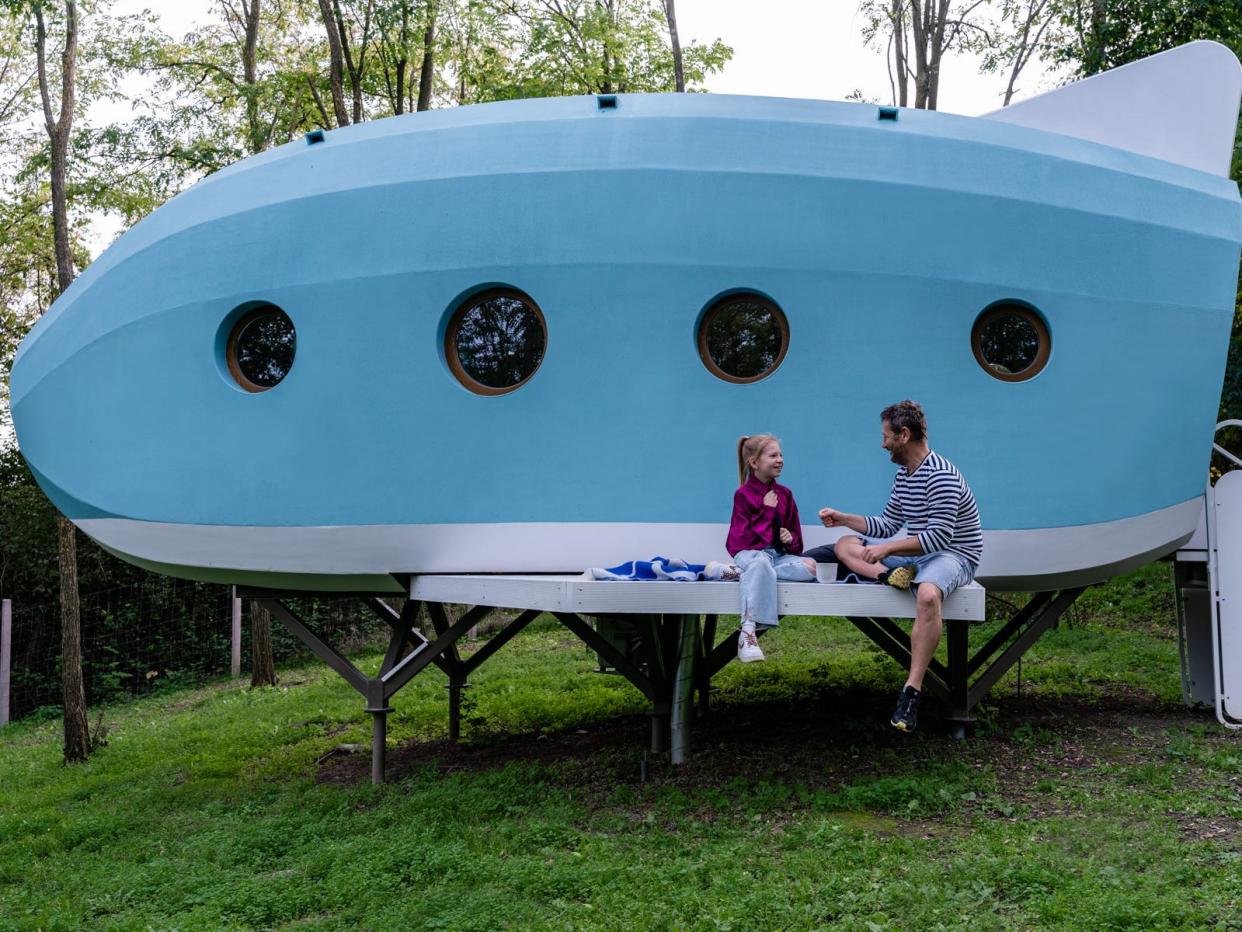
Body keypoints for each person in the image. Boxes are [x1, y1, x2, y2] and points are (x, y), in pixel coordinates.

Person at [818, 400, 982, 731]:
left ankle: (912, 691)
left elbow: (937, 538)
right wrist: (844, 520)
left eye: (886, 436)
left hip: (954, 553)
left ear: (903, 435)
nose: (883, 444)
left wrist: (887, 548)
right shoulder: (903, 474)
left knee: (926, 595)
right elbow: (889, 523)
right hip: (916, 553)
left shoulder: (942, 476)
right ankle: (891, 575)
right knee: (844, 545)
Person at [726, 434, 817, 663]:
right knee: (759, 563)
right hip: (750, 554)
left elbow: (797, 545)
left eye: (781, 455)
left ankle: (743, 575)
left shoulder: (785, 494)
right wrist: (766, 511)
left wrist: (789, 538)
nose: (780, 460)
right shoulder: (743, 495)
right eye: (773, 455)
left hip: (776, 558)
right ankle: (748, 632)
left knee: (810, 567)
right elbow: (739, 542)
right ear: (754, 463)